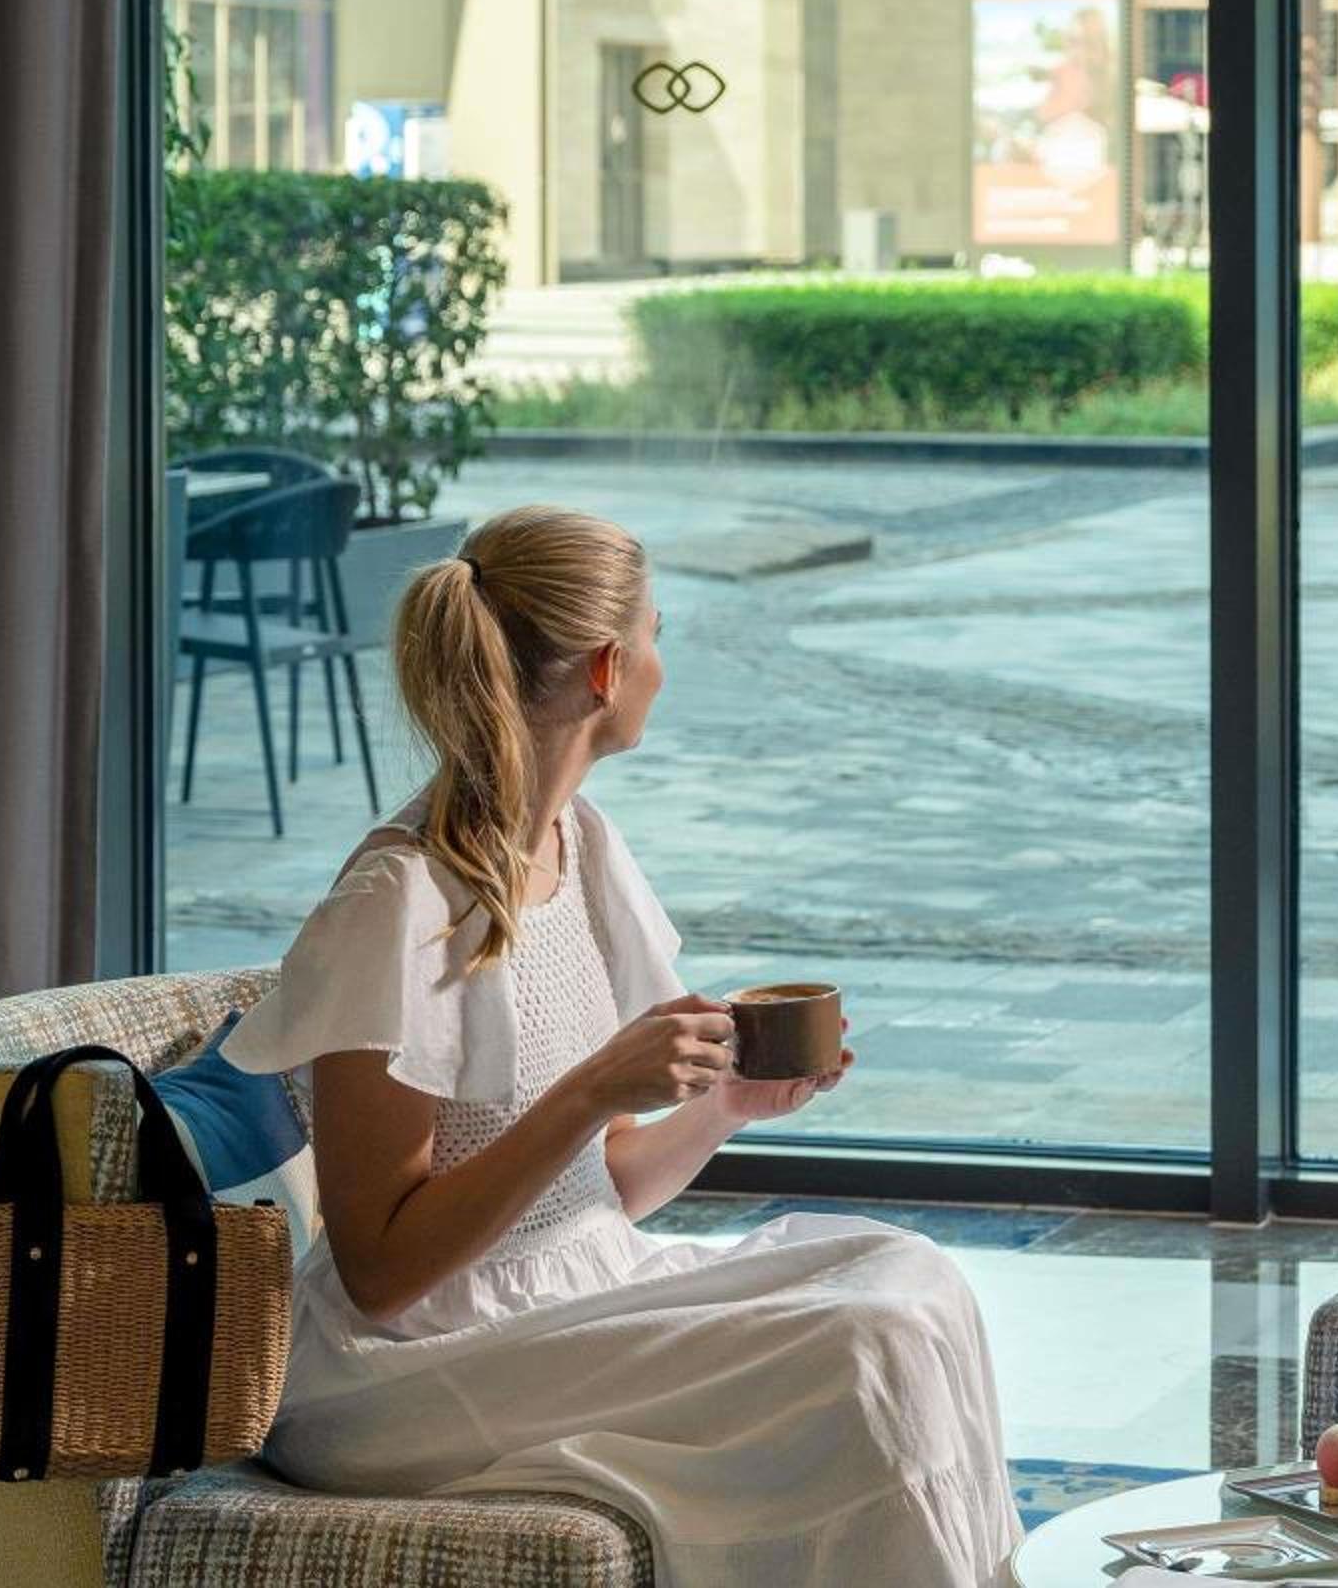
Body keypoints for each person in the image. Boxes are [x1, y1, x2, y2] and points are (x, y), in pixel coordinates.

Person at [223, 504, 1020, 1588]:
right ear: (607, 670)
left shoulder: (583, 847)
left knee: (908, 1278)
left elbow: (594, 1197)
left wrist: (725, 1107)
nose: (660, 662)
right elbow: (379, 1272)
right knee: (861, 1341)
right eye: (655, 634)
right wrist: (593, 1089)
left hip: (571, 1299)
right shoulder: (397, 903)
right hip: (405, 1371)